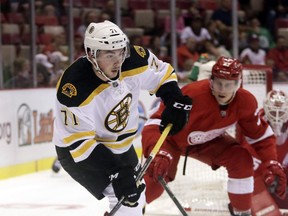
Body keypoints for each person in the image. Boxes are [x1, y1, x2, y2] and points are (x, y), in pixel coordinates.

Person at [52, 20, 192, 216]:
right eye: (110, 55)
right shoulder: (74, 88)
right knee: (128, 203)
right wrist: (114, 170)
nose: (118, 60)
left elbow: (163, 74)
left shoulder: (134, 59)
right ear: (92, 54)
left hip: (121, 145)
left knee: (138, 198)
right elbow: (78, 142)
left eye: (120, 52)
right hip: (80, 153)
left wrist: (174, 99)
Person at [141, 56, 287, 216]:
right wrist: (158, 150)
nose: (223, 89)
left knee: (241, 159)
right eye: (219, 83)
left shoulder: (245, 102)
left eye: (228, 84)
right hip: (171, 141)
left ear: (238, 84)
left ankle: (242, 213)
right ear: (211, 81)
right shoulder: (191, 94)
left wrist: (270, 161)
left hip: (206, 141)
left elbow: (260, 136)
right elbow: (154, 123)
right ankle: (131, 209)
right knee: (156, 178)